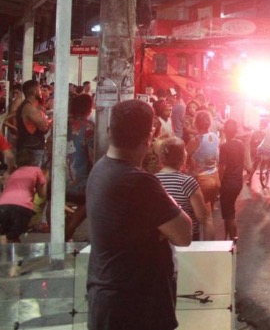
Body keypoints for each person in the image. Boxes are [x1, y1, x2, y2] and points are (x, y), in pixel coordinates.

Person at [86, 99, 192, 330]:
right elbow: (184, 234)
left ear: (110, 131)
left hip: (108, 302)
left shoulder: (100, 169)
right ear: (149, 136)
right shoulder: (140, 182)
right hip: (135, 308)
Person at [157, 137, 213, 241]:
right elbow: (202, 218)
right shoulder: (187, 182)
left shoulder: (154, 181)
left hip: (164, 238)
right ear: (183, 157)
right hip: (188, 238)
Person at [65, 93, 95, 241]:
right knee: (88, 202)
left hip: (60, 171)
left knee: (55, 201)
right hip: (80, 174)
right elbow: (92, 153)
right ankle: (69, 229)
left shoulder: (61, 122)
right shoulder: (89, 127)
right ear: (89, 108)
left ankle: (58, 235)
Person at [0, 149, 46, 243]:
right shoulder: (36, 170)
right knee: (11, 235)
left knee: (4, 234)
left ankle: (7, 255)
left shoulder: (14, 172)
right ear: (33, 161)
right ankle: (7, 254)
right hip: (22, 206)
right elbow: (42, 194)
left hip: (3, 205)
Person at [219, 119, 253, 240]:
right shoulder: (240, 144)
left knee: (229, 215)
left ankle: (233, 241)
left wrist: (218, 182)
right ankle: (228, 239)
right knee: (229, 212)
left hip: (227, 183)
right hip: (238, 182)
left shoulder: (224, 147)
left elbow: (222, 167)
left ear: (224, 131)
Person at [187, 110, 220, 224]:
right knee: (209, 215)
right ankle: (209, 240)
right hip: (215, 177)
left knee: (201, 219)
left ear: (196, 123)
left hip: (201, 179)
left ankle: (200, 241)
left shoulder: (195, 140)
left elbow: (184, 157)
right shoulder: (215, 137)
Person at [16, 79, 51, 169]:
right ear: (34, 91)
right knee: (33, 177)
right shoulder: (29, 108)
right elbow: (44, 127)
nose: (41, 92)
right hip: (32, 149)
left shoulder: (26, 106)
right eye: (40, 89)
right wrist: (52, 121)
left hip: (28, 147)